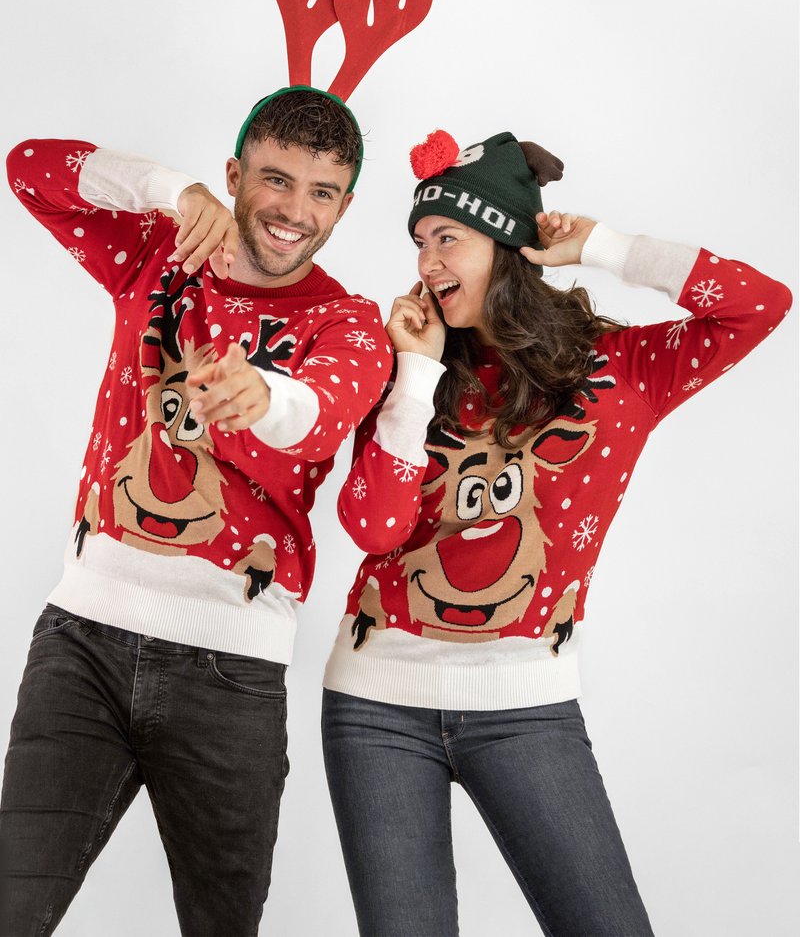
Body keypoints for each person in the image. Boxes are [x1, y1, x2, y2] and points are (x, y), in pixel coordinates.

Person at [321, 128, 792, 936]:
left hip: (528, 710)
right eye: (419, 241)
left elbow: (761, 303)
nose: (427, 262)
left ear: (506, 245)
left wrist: (606, 246)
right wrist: (415, 376)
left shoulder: (620, 372)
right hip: (375, 709)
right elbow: (372, 526)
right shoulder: (410, 367)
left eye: (448, 238)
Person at [0, 85, 394, 936]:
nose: (295, 210)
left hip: (231, 679)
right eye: (275, 180)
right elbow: (30, 169)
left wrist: (266, 397)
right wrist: (168, 190)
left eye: (322, 192)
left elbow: (324, 408)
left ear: (346, 206)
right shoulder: (157, 254)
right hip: (81, 647)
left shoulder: (351, 325)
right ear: (232, 176)